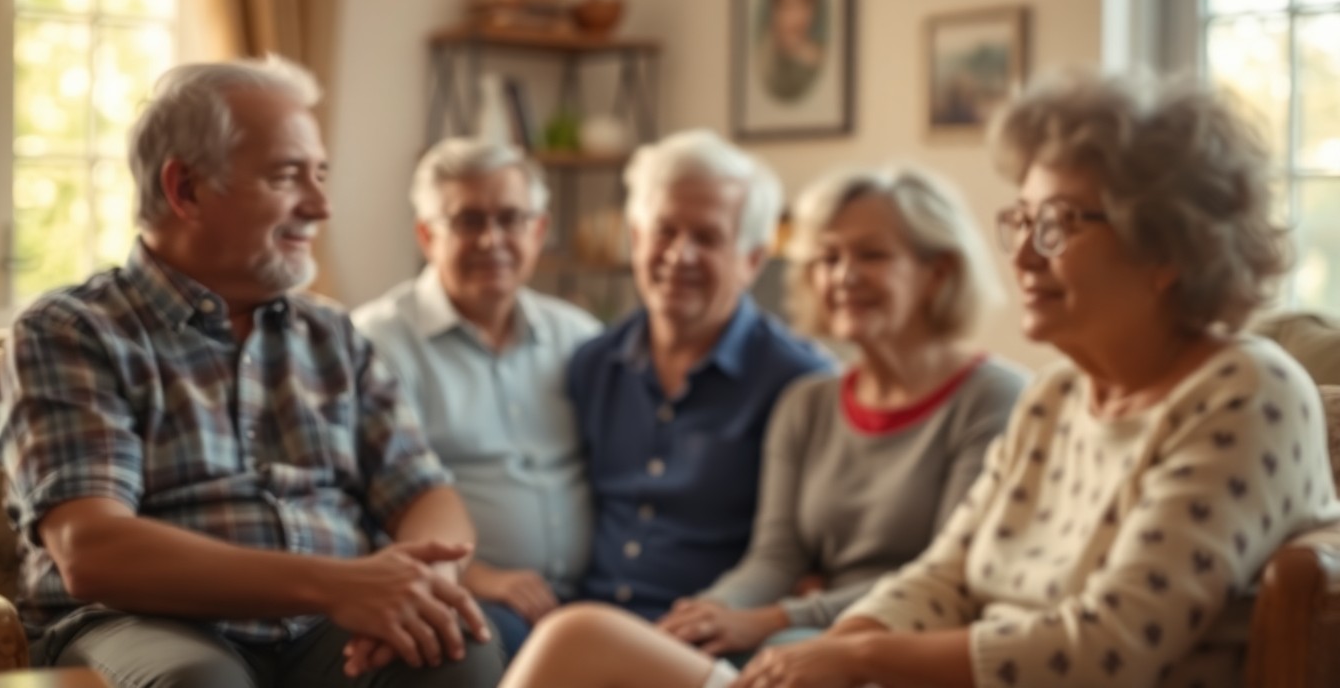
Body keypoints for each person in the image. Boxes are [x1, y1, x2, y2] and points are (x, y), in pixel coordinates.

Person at [494, 71, 1340, 688]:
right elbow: (944, 572)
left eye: (1057, 224)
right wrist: (829, 650)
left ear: (1167, 246)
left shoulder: (1245, 393)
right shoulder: (1057, 397)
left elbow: (1109, 647)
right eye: (1021, 219)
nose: (1022, 252)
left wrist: (854, 652)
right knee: (578, 643)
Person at [0, 57, 505, 688]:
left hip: (322, 628)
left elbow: (427, 492)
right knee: (199, 680)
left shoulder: (333, 335)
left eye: (320, 175)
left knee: (452, 649)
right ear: (185, 189)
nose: (320, 205)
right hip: (137, 624)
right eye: (288, 176)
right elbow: (93, 550)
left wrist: (419, 582)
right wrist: (340, 584)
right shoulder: (70, 332)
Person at [654, 165, 1027, 658]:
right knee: (602, 639)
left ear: (938, 272)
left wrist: (778, 618)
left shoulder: (994, 397)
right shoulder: (805, 402)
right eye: (827, 258)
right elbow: (775, 559)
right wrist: (704, 615)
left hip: (908, 645)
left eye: (871, 255)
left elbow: (946, 577)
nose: (843, 276)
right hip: (806, 630)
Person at [569, 129, 835, 621]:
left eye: (707, 238)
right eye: (664, 231)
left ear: (752, 261)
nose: (679, 255)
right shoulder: (591, 365)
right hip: (586, 620)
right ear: (635, 239)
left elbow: (811, 555)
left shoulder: (802, 382)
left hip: (706, 636)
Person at [353, 138, 600, 657]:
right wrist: (479, 577)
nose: (492, 240)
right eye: (468, 222)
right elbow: (359, 504)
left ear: (539, 230)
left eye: (511, 219)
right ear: (426, 235)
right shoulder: (377, 344)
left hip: (593, 594)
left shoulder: (579, 337)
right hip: (471, 596)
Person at [758, 0, 825, 102]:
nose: (795, 16)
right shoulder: (764, 56)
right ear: (774, 11)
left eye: (802, 3)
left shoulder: (818, 56)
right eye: (786, 5)